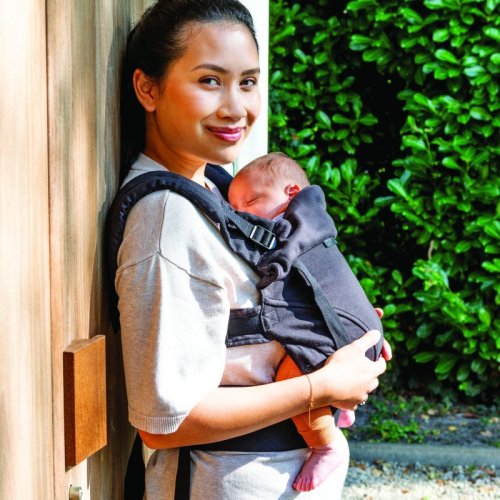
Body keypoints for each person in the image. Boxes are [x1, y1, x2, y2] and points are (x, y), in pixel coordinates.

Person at [115, 1, 392, 498]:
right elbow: (166, 422)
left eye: (247, 82)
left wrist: (337, 329)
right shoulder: (165, 220)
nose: (235, 107)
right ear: (148, 89)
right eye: (209, 81)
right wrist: (323, 387)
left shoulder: (217, 190)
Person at [228, 152, 365, 491]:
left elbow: (280, 264)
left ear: (291, 193)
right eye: (234, 207)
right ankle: (339, 407)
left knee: (292, 379)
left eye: (251, 202)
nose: (241, 213)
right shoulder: (310, 222)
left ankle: (327, 444)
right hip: (346, 325)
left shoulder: (302, 223)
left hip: (341, 330)